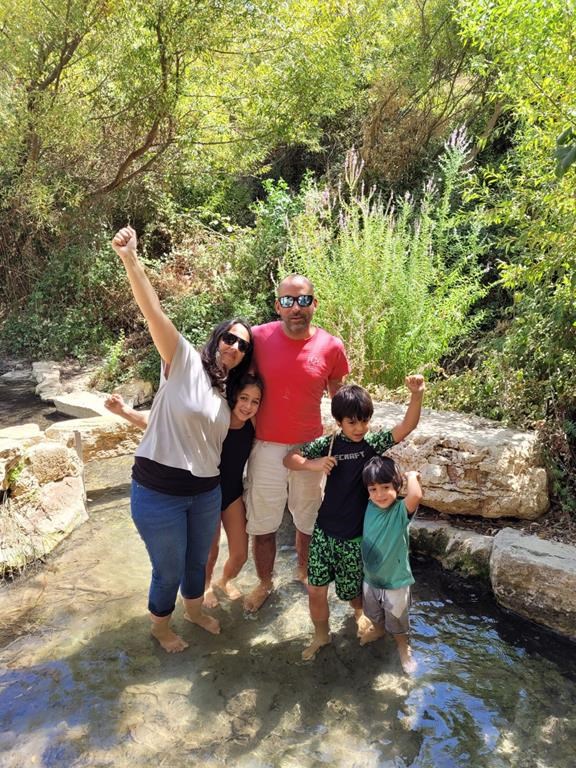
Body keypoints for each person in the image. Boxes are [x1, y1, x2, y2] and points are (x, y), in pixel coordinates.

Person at [111, 225, 253, 653]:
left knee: (196, 562)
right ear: (216, 339)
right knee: (168, 568)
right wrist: (131, 259)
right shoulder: (184, 360)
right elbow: (153, 312)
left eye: (243, 345)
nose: (234, 346)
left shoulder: (226, 396)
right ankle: (160, 626)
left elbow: (181, 430)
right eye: (229, 337)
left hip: (206, 493)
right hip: (158, 490)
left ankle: (192, 611)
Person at [284, 376, 425, 660]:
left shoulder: (371, 444)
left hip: (354, 538)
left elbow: (406, 427)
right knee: (315, 589)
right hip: (324, 532)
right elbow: (290, 458)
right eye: (352, 422)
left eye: (364, 421)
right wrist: (313, 464)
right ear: (339, 422)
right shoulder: (329, 444)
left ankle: (360, 614)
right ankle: (321, 635)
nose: (359, 428)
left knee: (353, 593)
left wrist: (417, 395)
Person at [104, 372, 263, 608]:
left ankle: (223, 581)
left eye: (255, 401)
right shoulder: (215, 418)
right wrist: (124, 411)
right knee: (208, 553)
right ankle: (205, 586)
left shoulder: (252, 423)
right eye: (243, 398)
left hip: (232, 494)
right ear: (233, 397)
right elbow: (162, 426)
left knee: (240, 554)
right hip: (206, 493)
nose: (248, 406)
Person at [243, 274, 350, 612]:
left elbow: (339, 397)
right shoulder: (258, 338)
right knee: (263, 523)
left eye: (303, 300)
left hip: (310, 447)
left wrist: (352, 442)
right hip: (265, 445)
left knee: (308, 519)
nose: (296, 308)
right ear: (278, 306)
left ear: (314, 304)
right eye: (288, 301)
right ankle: (264, 582)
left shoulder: (331, 346)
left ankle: (303, 572)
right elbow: (232, 373)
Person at [359, 456, 422, 674]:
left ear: (397, 486)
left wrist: (412, 476)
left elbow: (416, 495)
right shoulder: (369, 506)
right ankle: (378, 630)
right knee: (373, 612)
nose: (380, 494)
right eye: (373, 489)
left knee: (397, 621)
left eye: (385, 487)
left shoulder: (400, 512)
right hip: (370, 578)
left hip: (396, 582)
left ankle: (403, 647)